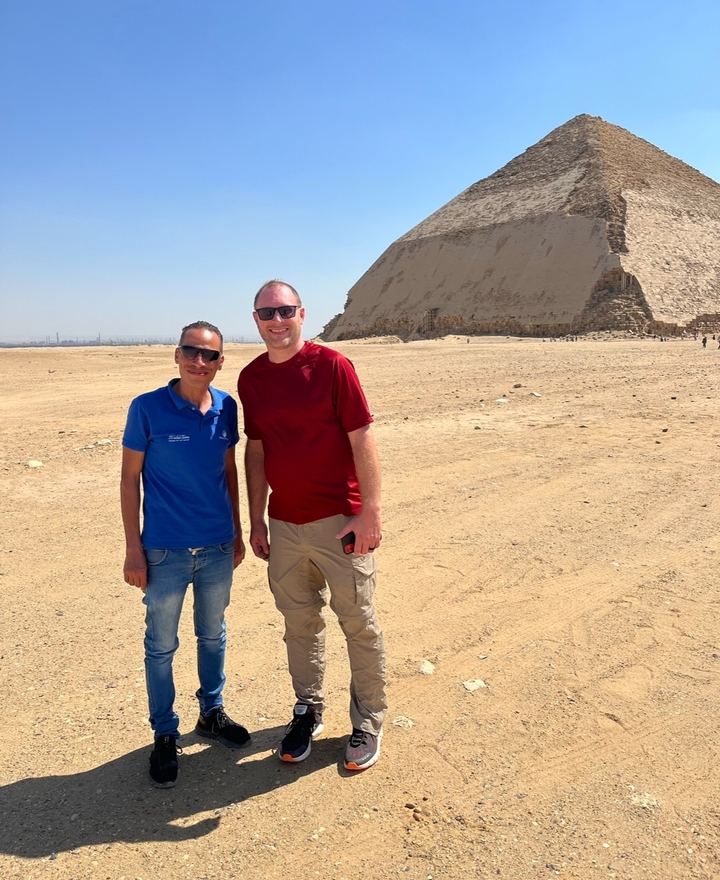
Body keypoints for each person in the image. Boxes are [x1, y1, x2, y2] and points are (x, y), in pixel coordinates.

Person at [238, 281, 387, 771]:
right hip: (284, 524)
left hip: (338, 521)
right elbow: (256, 450)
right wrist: (256, 518)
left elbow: (362, 436)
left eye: (285, 311)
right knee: (298, 624)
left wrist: (370, 512)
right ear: (255, 319)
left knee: (358, 624)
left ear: (302, 313)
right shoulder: (251, 378)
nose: (276, 321)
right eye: (266, 313)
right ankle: (308, 708)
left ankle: (367, 721)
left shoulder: (333, 366)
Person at [121, 321, 250, 788]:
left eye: (209, 355)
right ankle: (164, 733)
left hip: (216, 546)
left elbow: (228, 471)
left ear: (220, 362)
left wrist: (237, 531)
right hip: (164, 551)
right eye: (190, 352)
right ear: (176, 355)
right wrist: (134, 550)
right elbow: (129, 479)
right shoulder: (148, 408)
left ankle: (211, 714)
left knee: (213, 635)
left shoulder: (225, 407)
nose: (199, 362)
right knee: (161, 646)